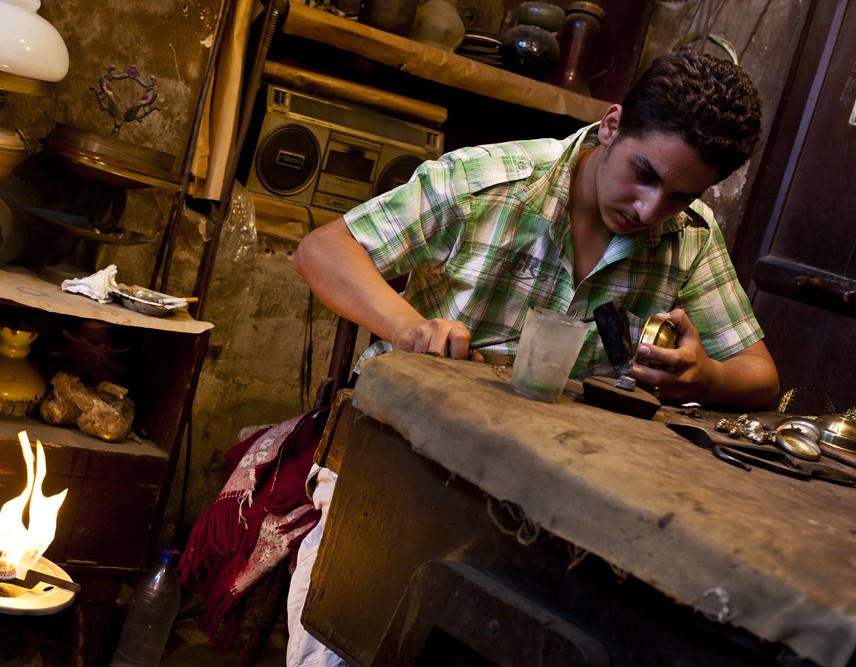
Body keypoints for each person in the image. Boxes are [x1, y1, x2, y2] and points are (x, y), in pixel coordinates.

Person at [285, 48, 780, 666]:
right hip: (407, 465)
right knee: (354, 638)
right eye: (644, 175)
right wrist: (409, 328)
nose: (650, 210)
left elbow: (760, 378)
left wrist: (704, 375)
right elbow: (323, 250)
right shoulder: (487, 181)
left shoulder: (689, 237)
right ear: (610, 125)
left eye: (679, 196)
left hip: (566, 501)